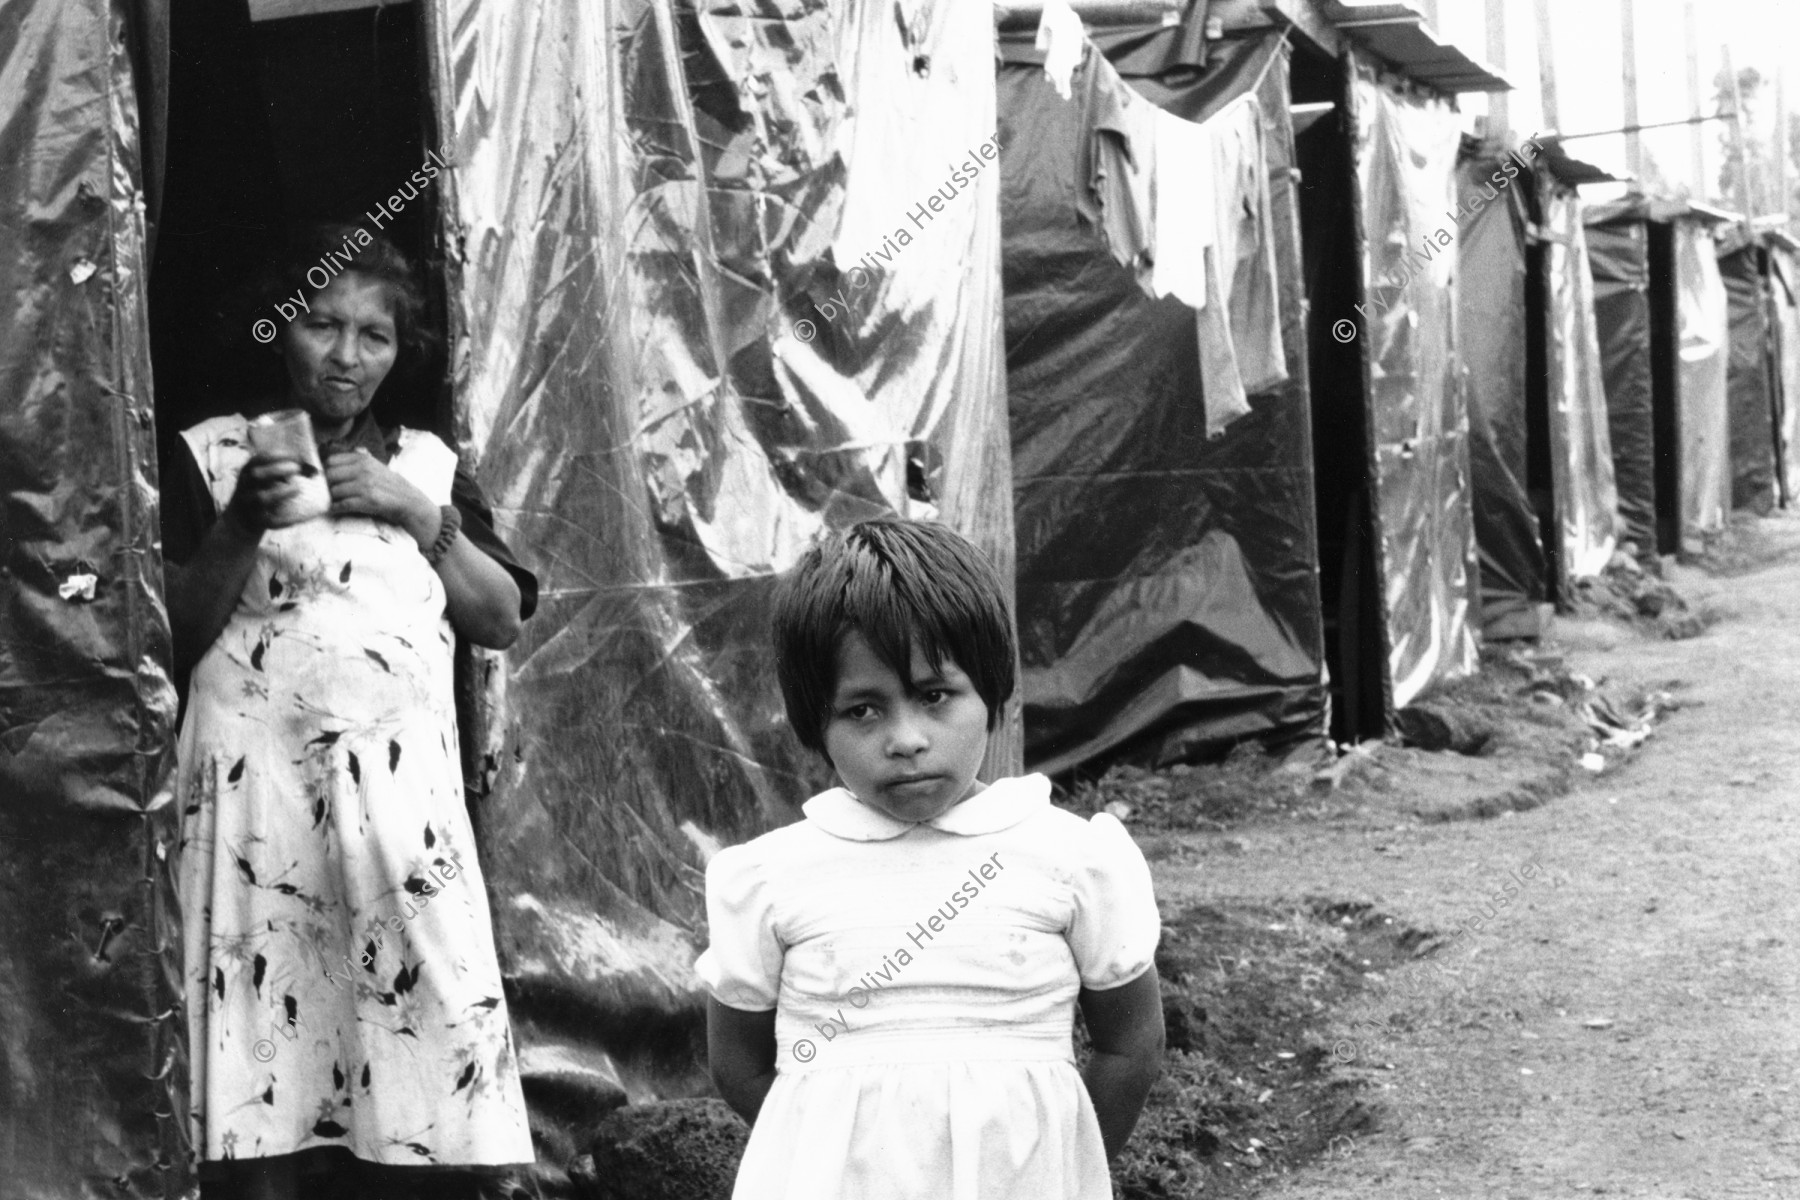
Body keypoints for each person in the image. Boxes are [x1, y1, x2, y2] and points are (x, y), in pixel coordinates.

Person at [160, 227, 536, 1199]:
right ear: (280, 331)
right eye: (321, 324)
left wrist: (417, 514)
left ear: (396, 350)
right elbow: (167, 639)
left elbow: (498, 618)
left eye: (373, 334)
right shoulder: (214, 457)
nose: (345, 355)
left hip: (397, 806)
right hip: (258, 798)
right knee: (264, 1045)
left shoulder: (427, 465)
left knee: (424, 1044)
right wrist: (245, 517)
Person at [696, 518, 1166, 1200]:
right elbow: (738, 1062)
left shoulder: (1069, 860)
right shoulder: (771, 878)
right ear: (813, 726)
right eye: (863, 710)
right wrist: (817, 1147)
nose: (907, 739)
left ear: (995, 701)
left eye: (935, 695)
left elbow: (1132, 1046)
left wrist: (1057, 1161)